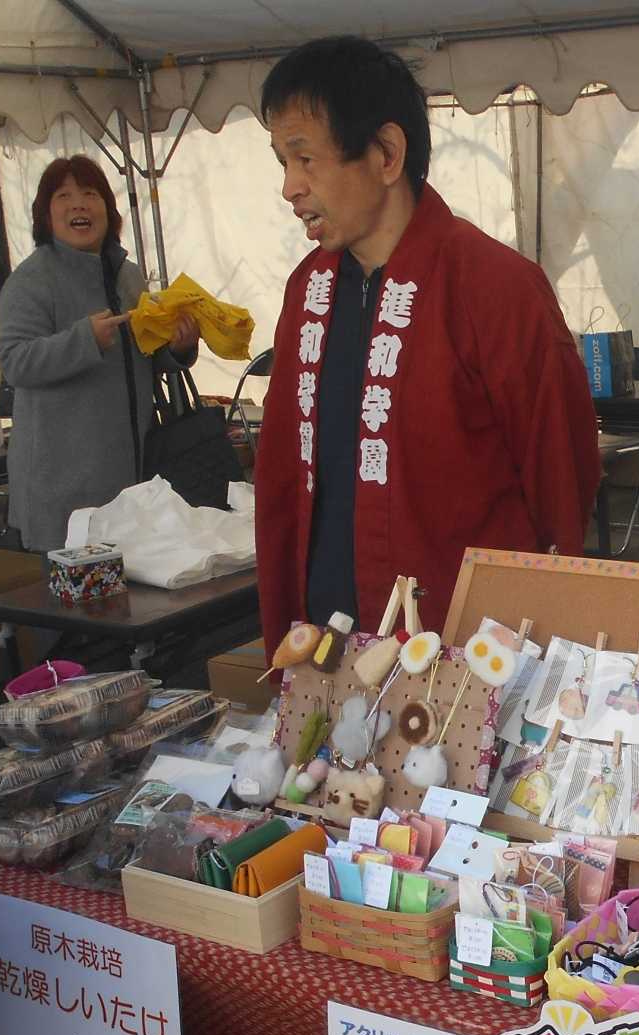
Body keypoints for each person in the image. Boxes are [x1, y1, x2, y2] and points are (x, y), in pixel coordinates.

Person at [251, 36, 600, 646]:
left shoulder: (495, 287)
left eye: (305, 159)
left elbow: (560, 486)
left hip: (463, 664)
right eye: (281, 161)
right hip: (328, 653)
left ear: (386, 153)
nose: (289, 187)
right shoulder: (306, 291)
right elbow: (283, 481)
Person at [0, 156, 201, 552]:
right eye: (64, 196)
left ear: (108, 208)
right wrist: (83, 339)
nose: (79, 205)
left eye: (90, 194)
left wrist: (177, 347)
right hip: (60, 480)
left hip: (132, 470)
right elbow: (16, 362)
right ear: (45, 213)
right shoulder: (30, 281)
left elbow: (145, 353)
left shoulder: (129, 275)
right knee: (77, 598)